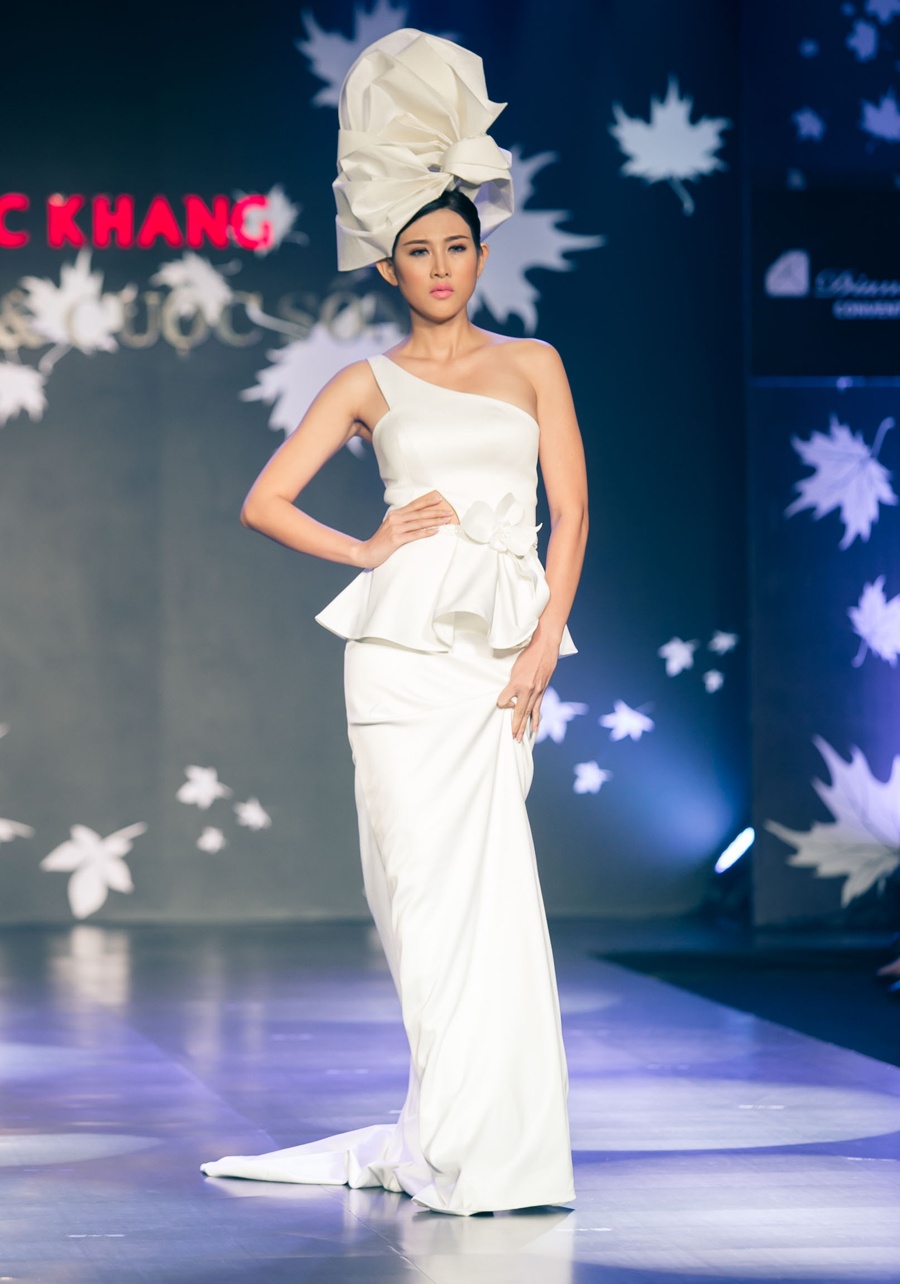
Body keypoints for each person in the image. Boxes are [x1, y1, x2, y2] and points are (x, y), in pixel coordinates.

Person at [201, 28, 588, 1216]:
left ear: (480, 252)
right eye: (417, 251)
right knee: (419, 899)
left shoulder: (535, 363)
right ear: (389, 266)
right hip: (398, 667)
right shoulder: (366, 383)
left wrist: (542, 642)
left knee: (495, 895)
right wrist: (368, 548)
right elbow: (264, 500)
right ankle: (447, 1135)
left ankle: (496, 1145)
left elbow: (572, 514)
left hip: (498, 661)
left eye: (455, 246)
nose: (439, 266)